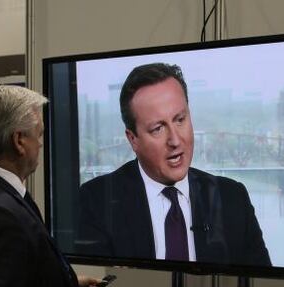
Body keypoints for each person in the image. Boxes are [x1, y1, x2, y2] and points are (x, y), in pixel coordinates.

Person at [77, 63, 271, 266]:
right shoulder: (96, 201)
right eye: (158, 128)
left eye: (180, 120)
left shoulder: (232, 198)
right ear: (133, 139)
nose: (175, 141)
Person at [0, 85, 101, 287]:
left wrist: (64, 285)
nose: (41, 143)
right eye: (39, 133)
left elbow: (16, 276)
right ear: (19, 141)